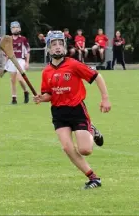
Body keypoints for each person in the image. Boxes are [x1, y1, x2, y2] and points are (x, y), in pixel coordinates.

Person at [33, 31, 111, 189]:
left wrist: (105, 98)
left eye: (60, 44)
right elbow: (49, 94)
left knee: (85, 150)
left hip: (77, 110)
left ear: (64, 46)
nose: (57, 47)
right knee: (67, 147)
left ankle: (92, 130)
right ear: (48, 49)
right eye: (53, 44)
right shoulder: (46, 71)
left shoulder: (73, 64)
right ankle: (93, 178)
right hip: (58, 113)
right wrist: (42, 97)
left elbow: (97, 76)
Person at [0, 21, 30, 104]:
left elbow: (27, 51)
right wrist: (4, 66)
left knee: (20, 79)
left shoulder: (23, 39)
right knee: (12, 80)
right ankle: (14, 99)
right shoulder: (8, 39)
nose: (15, 29)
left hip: (20, 60)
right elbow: (6, 54)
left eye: (16, 27)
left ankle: (26, 91)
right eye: (13, 27)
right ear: (11, 29)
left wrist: (27, 62)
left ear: (19, 28)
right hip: (11, 60)